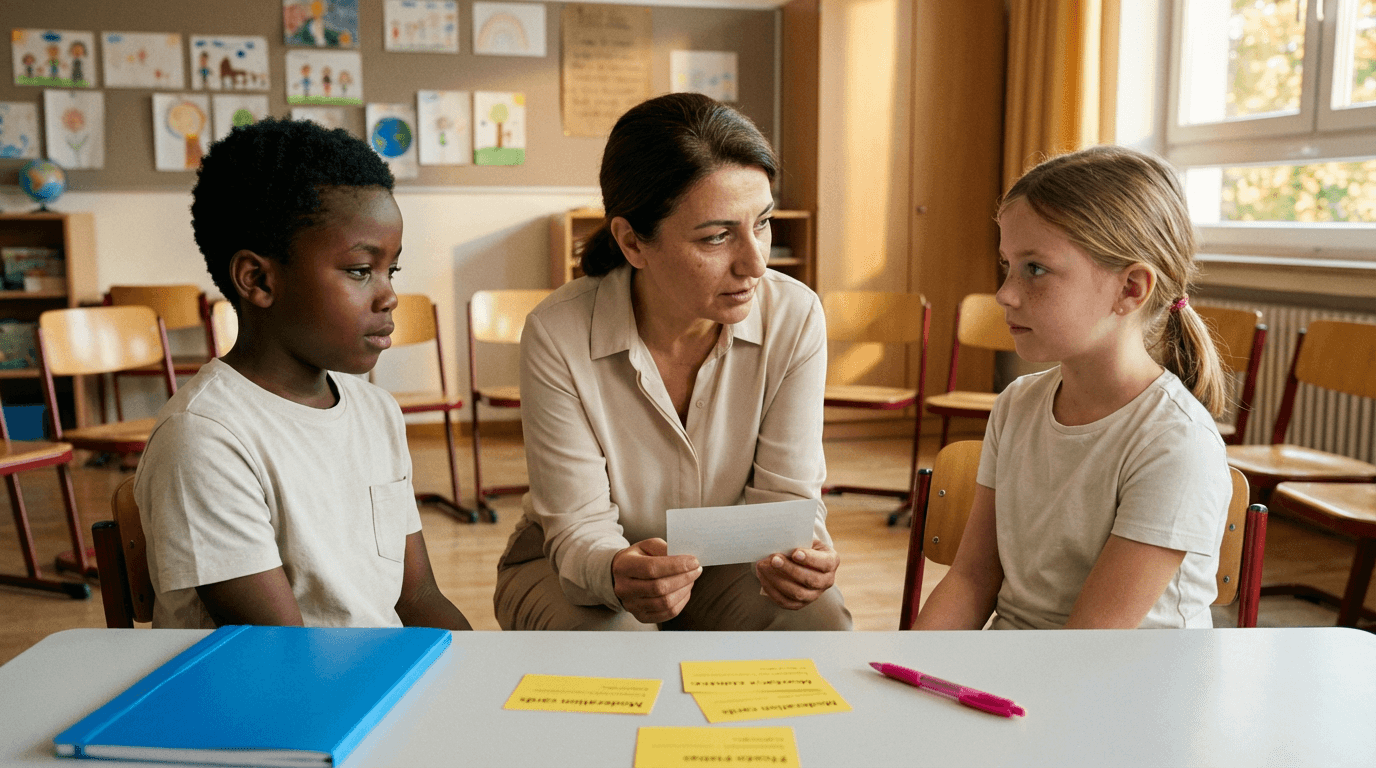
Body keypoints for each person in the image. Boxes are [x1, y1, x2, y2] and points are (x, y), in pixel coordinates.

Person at [495, 93, 852, 631]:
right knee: (614, 649)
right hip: (575, 565)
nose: (755, 263)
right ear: (632, 242)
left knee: (817, 620)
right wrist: (615, 570)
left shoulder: (795, 316)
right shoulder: (558, 332)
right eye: (717, 236)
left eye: (762, 223)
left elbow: (785, 503)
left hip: (729, 563)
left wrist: (799, 561)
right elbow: (577, 527)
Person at [134, 118, 471, 631]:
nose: (389, 296)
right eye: (360, 271)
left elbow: (418, 596)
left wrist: (480, 669)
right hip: (277, 680)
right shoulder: (204, 438)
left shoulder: (376, 411)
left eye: (392, 270)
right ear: (258, 280)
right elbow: (283, 652)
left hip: (377, 668)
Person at [913, 146, 1232, 631]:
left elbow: (1091, 641)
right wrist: (912, 667)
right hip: (1025, 665)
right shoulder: (1017, 404)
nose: (1004, 293)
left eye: (1035, 269)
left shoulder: (1176, 443)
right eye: (1007, 265)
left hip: (1111, 674)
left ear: (1130, 288)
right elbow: (972, 580)